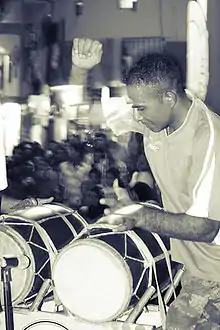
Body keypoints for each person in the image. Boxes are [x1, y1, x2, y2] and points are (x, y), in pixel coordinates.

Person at [70, 38, 220, 329]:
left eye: (140, 108)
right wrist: (80, 71)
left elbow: (206, 226)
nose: (135, 116)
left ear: (168, 98)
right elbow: (88, 115)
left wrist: (140, 215)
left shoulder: (209, 137)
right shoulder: (155, 117)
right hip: (197, 269)